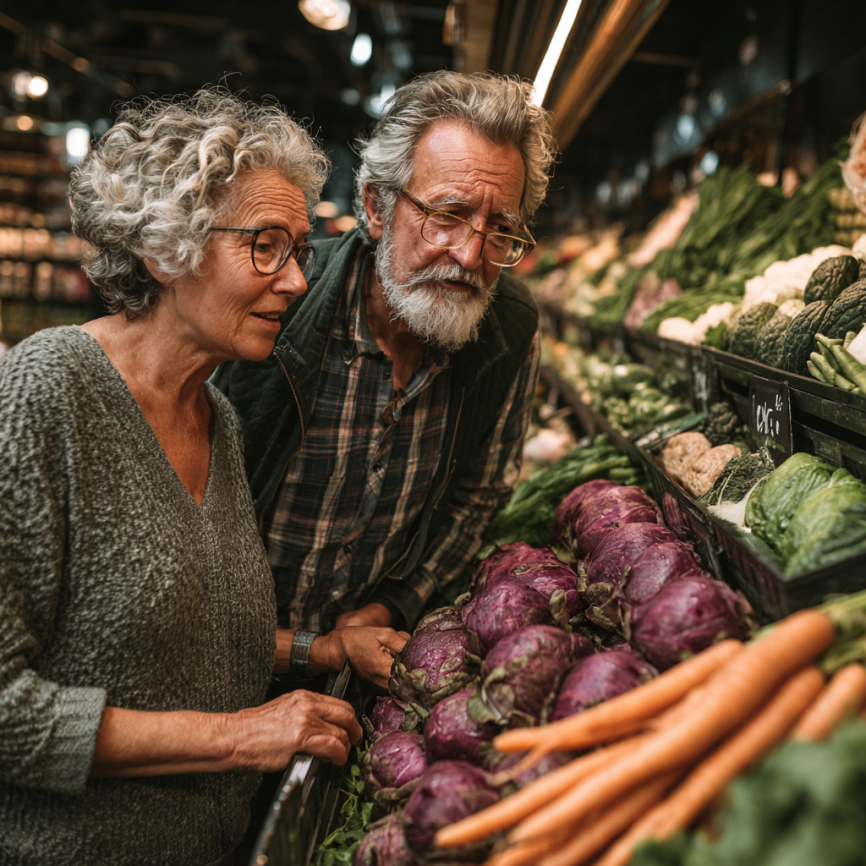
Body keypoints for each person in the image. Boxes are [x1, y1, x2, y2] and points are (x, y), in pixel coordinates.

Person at [0, 89, 379, 866]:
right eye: (264, 245)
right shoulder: (51, 390)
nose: (296, 283)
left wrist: (326, 651)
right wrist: (242, 738)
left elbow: (192, 643)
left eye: (298, 251)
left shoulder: (219, 418)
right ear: (164, 248)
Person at [217, 71, 557, 684]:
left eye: (499, 228)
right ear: (376, 207)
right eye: (447, 215)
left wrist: (390, 605)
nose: (471, 256)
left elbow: (479, 494)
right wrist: (302, 649)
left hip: (365, 674)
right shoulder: (272, 307)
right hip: (217, 662)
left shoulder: (507, 327)